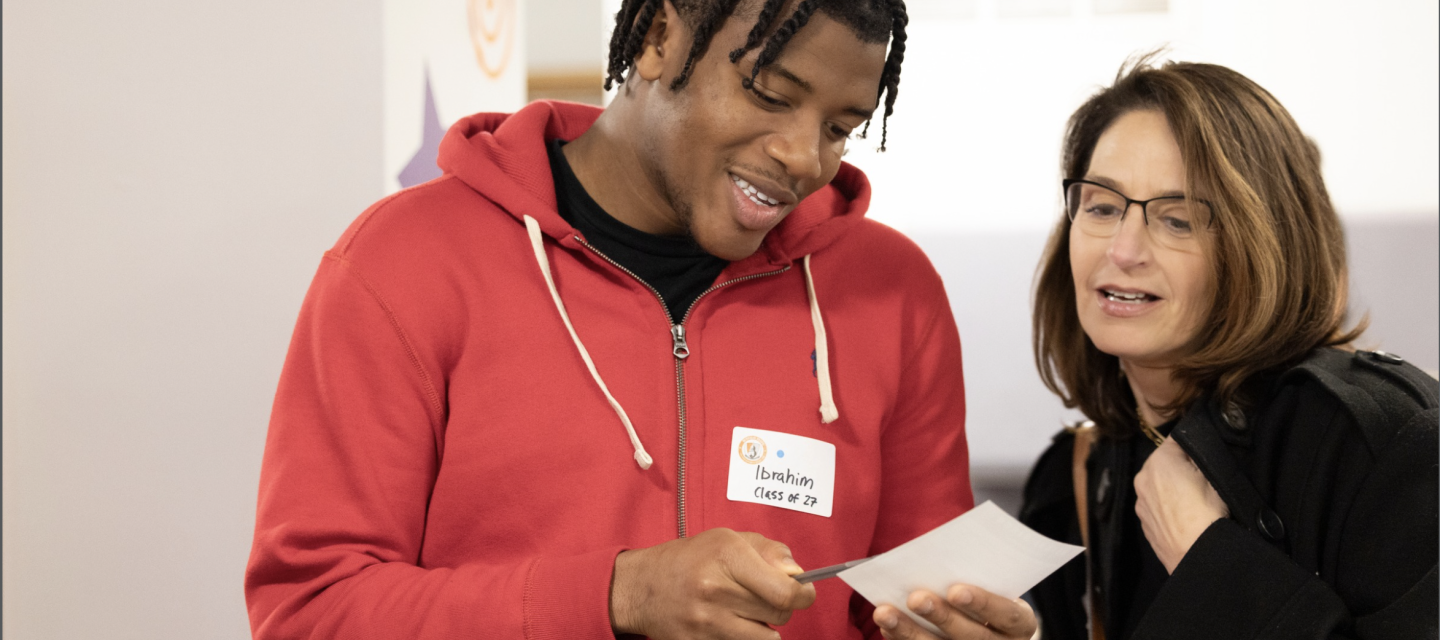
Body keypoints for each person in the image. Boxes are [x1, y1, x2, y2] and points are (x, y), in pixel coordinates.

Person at [245, 1, 1037, 638]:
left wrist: (955, 626)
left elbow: (915, 594)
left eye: (840, 127)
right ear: (659, 37)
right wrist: (615, 596)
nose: (804, 156)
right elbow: (310, 612)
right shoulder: (406, 262)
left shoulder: (890, 291)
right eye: (771, 93)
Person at [1019, 56, 1439, 640]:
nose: (1123, 249)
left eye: (1179, 220)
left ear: (1263, 243)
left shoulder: (1386, 443)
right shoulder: (1073, 477)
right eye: (1102, 207)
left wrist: (1210, 561)